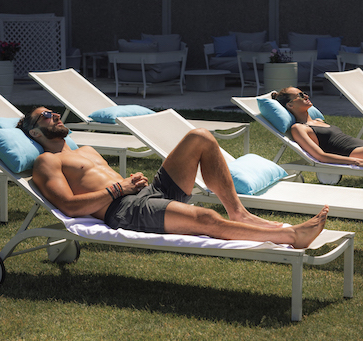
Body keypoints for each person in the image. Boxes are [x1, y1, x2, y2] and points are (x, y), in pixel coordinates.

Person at [18, 107, 329, 249]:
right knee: (205, 218)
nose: (55, 115)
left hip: (144, 194)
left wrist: (129, 182)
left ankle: (239, 213)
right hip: (125, 209)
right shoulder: (46, 162)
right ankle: (292, 237)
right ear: (35, 133)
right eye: (46, 116)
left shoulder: (84, 149)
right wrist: (118, 189)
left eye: (53, 112)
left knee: (200, 137)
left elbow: (102, 183)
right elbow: (69, 206)